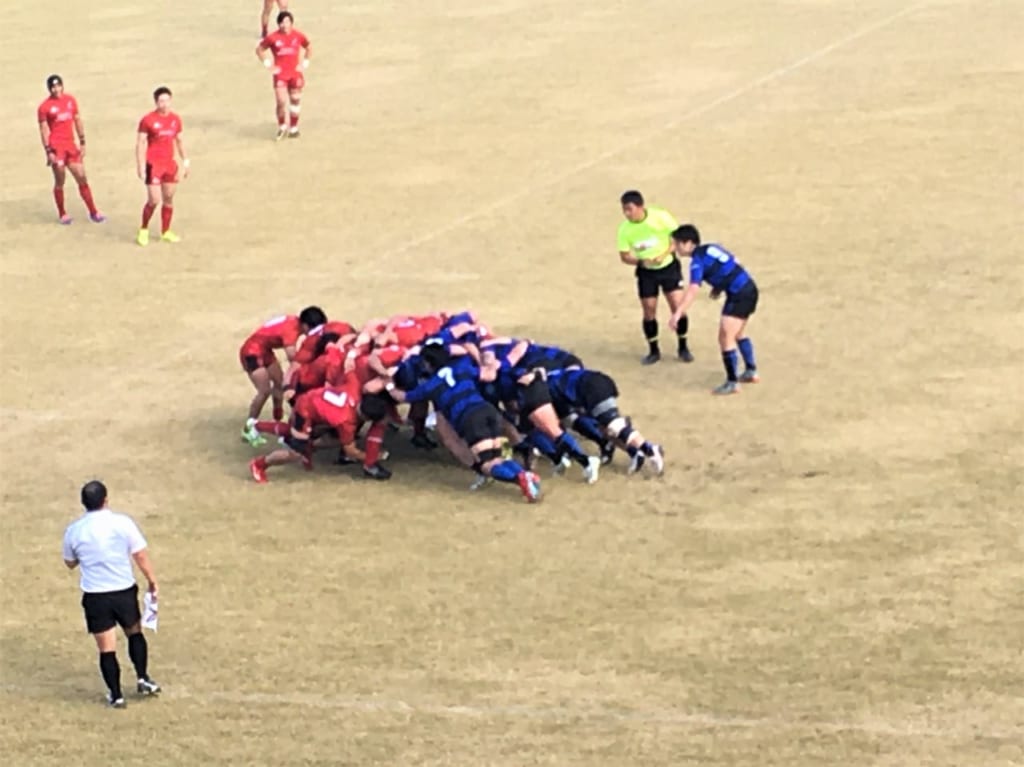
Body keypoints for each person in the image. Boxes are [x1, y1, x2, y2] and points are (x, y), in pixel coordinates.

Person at [387, 343, 542, 502]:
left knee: (487, 465)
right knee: (498, 458)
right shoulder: (462, 369)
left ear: (427, 364)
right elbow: (488, 375)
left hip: (470, 418)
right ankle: (525, 478)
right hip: (488, 410)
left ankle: (522, 478)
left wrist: (389, 383)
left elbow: (402, 397)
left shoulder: (430, 385)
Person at [62, 481, 161, 708]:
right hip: (123, 591)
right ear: (106, 500)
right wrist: (152, 580)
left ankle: (116, 695)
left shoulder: (74, 531)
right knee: (135, 634)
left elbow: (69, 562)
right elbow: (140, 554)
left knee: (106, 648)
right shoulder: (122, 523)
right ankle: (143, 678)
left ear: (83, 504)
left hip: (96, 596)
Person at [669, 225, 760, 395]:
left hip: (738, 295)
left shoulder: (697, 262)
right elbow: (733, 262)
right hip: (749, 288)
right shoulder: (712, 247)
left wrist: (678, 313)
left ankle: (732, 382)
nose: (676, 248)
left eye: (678, 244)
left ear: (689, 243)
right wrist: (719, 286)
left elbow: (693, 290)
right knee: (737, 333)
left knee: (725, 337)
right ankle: (751, 371)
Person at [616, 190, 693, 365]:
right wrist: (642, 262)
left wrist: (664, 254)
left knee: (677, 305)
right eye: (624, 210)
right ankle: (653, 350)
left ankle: (683, 347)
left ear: (640, 207)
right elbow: (624, 256)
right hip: (646, 273)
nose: (627, 214)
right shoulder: (624, 229)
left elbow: (677, 240)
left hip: (668, 268)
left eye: (629, 209)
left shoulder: (660, 217)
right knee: (649, 309)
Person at [239, 306, 327, 445]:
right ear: (305, 325)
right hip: (252, 352)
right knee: (264, 391)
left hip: (264, 349)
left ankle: (277, 419)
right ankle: (248, 428)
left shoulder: (294, 322)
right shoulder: (290, 331)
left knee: (281, 384)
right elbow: (292, 356)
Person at [36, 75, 105, 225]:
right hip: (56, 147)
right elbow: (44, 130)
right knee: (60, 179)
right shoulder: (44, 107)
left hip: (70, 146)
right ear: (49, 89)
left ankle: (93, 211)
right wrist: (48, 151)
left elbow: (77, 120)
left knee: (81, 176)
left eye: (58, 86)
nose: (56, 89)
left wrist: (82, 141)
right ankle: (62, 213)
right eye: (53, 87)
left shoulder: (70, 101)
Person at [135, 87, 189, 246]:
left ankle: (166, 231)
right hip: (153, 164)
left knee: (169, 198)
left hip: (169, 164)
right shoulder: (148, 120)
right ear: (156, 102)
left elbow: (179, 141)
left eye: (167, 100)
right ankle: (143, 229)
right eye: (161, 101)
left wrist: (185, 161)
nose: (164, 104)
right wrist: (140, 166)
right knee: (154, 199)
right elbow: (140, 143)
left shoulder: (175, 120)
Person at [256, 11, 311, 140]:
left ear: (291, 23)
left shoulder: (298, 35)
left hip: (295, 73)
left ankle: (293, 128)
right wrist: (268, 64)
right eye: (282, 22)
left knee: (295, 99)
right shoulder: (273, 38)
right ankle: (282, 126)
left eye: (287, 22)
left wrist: (305, 63)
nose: (284, 25)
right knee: (281, 101)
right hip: (280, 75)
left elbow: (308, 46)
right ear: (279, 24)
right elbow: (259, 50)